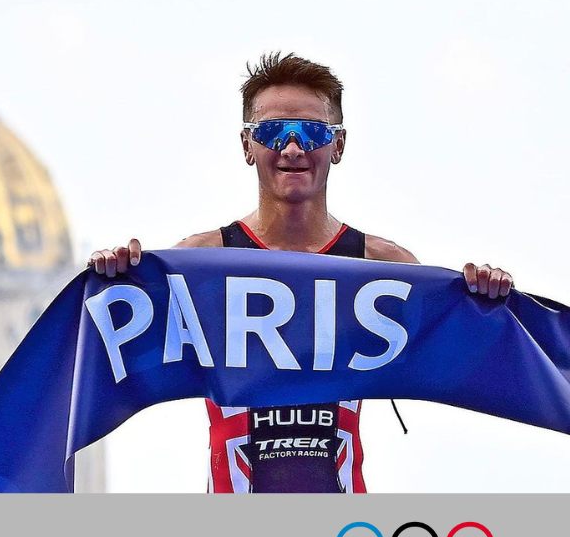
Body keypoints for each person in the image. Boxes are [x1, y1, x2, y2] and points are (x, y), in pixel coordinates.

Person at [88, 52, 513, 493]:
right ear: (247, 145)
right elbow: (107, 357)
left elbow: (473, 356)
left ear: (339, 145)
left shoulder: (384, 266)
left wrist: (487, 302)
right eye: (273, 132)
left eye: (311, 132)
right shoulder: (198, 261)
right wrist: (115, 280)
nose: (292, 148)